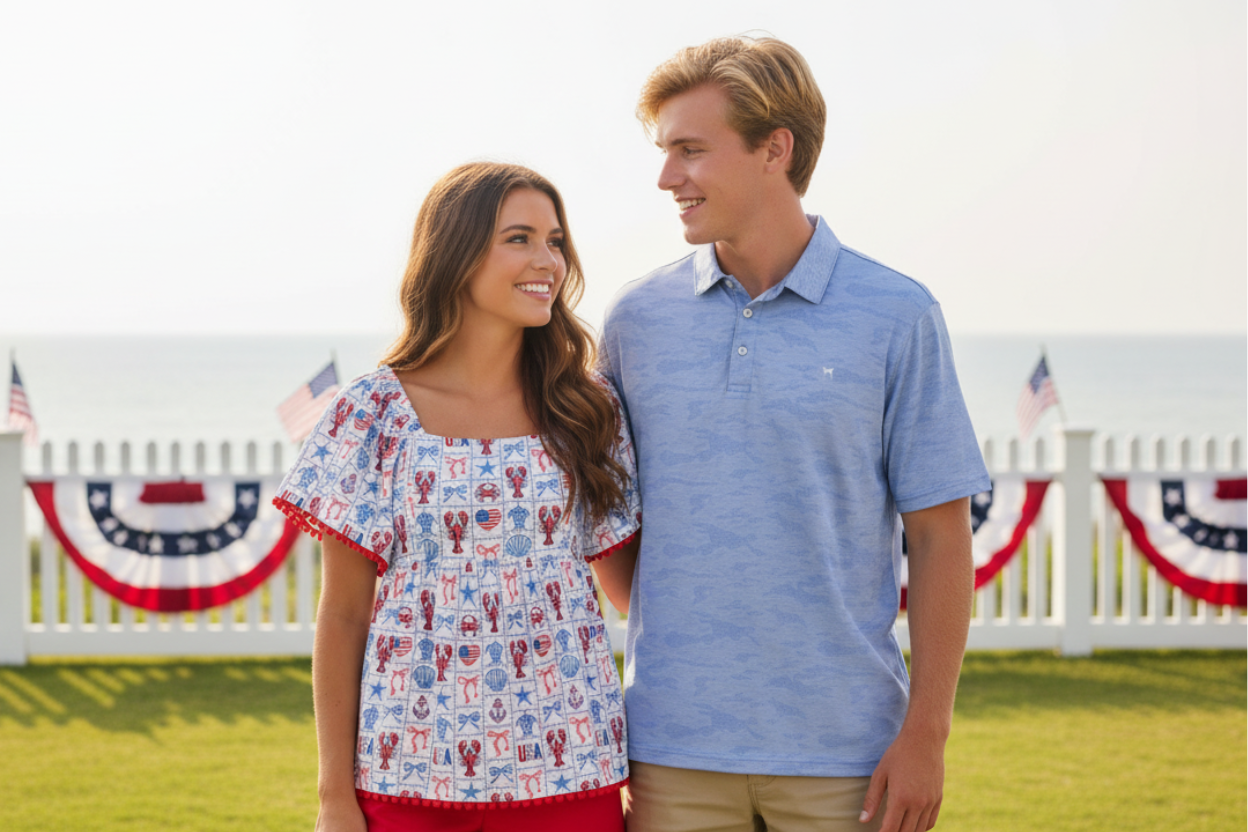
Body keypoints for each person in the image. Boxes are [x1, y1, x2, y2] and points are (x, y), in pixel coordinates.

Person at [595, 37, 991, 832]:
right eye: (665, 152)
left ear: (775, 149)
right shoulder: (636, 320)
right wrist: (700, 626)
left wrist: (927, 734)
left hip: (848, 757)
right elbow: (611, 525)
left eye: (690, 150)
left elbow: (940, 536)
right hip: (670, 752)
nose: (667, 177)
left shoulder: (897, 314)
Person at [274, 162, 641, 832]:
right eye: (519, 238)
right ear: (456, 253)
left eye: (556, 241)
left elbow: (636, 597)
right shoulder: (372, 413)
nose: (548, 261)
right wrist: (334, 797)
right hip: (406, 773)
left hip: (571, 768)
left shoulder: (587, 410)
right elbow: (344, 615)